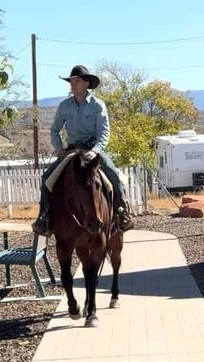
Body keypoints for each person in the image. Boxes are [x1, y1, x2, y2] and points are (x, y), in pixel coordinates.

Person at [31, 65, 134, 236]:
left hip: (93, 149)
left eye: (76, 81)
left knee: (113, 174)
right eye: (71, 81)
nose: (73, 84)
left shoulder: (97, 105)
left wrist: (95, 151)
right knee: (46, 179)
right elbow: (54, 130)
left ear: (86, 84)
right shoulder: (64, 106)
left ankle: (122, 212)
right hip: (71, 151)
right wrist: (60, 149)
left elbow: (104, 132)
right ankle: (44, 218)